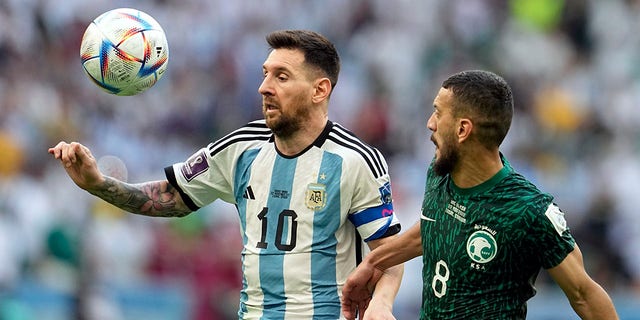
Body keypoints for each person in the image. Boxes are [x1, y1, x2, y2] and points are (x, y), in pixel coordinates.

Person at [49, 29, 404, 319]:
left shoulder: (355, 160)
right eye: (265, 74)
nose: (265, 87)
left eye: (282, 76)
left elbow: (389, 254)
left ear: (319, 90)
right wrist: (98, 184)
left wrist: (382, 303)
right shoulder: (242, 147)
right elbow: (172, 197)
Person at [341, 70, 619, 319]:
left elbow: (584, 294)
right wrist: (374, 262)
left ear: (462, 129)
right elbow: (432, 226)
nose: (429, 123)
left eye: (438, 113)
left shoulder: (528, 210)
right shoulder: (440, 174)